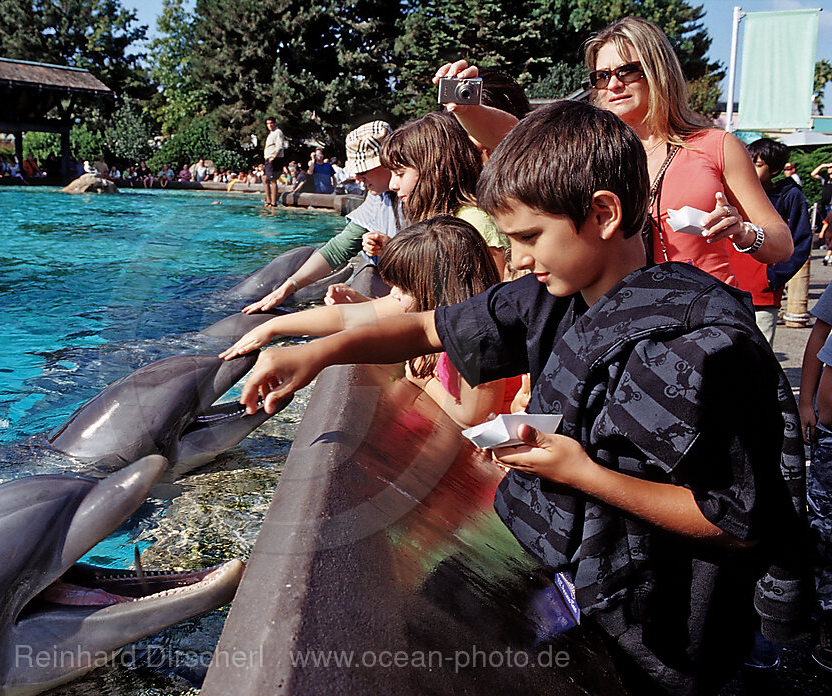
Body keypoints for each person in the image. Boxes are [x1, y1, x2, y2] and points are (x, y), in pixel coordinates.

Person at [235, 100, 809, 695]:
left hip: (657, 628)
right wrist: (317, 351)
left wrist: (583, 473)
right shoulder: (551, 294)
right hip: (578, 570)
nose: (518, 262)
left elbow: (737, 522)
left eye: (531, 237)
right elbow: (432, 327)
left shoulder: (699, 347)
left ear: (603, 214)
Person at [435, 16, 791, 286]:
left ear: (658, 72)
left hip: (705, 320)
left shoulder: (715, 145)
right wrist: (468, 108)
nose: (614, 83)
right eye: (601, 76)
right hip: (623, 321)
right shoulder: (587, 149)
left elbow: (782, 244)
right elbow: (514, 133)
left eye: (627, 71)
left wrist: (742, 232)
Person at [224, 216, 513, 429]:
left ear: (435, 291)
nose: (393, 296)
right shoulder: (428, 305)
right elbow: (348, 317)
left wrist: (420, 378)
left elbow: (473, 416)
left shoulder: (478, 334)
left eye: (402, 288)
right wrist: (272, 327)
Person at [242, 120, 398, 314]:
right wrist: (287, 288)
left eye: (363, 171)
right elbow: (338, 249)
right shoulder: (378, 196)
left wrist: (392, 249)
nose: (357, 178)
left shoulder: (419, 195)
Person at [373, 110, 508, 280]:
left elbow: (498, 290)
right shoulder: (436, 220)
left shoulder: (474, 222)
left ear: (433, 171)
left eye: (400, 174)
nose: (392, 185)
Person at [732, 138, 811, 347]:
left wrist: (773, 277)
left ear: (775, 169)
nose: (749, 168)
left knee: (760, 352)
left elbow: (801, 242)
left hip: (762, 292)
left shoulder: (789, 196)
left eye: (757, 165)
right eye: (748, 162)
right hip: (729, 285)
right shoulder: (732, 190)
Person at [797, 284, 832, 673]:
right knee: (824, 530)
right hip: (828, 436)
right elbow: (819, 333)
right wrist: (805, 401)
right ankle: (826, 616)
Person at [263, 116, 287, 207]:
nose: (269, 125)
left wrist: (274, 157)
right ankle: (268, 200)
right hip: (268, 158)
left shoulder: (278, 132)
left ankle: (273, 202)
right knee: (265, 178)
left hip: (274, 159)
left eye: (271, 123)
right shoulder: (271, 133)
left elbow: (279, 146)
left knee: (273, 180)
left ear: (275, 123)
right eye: (268, 123)